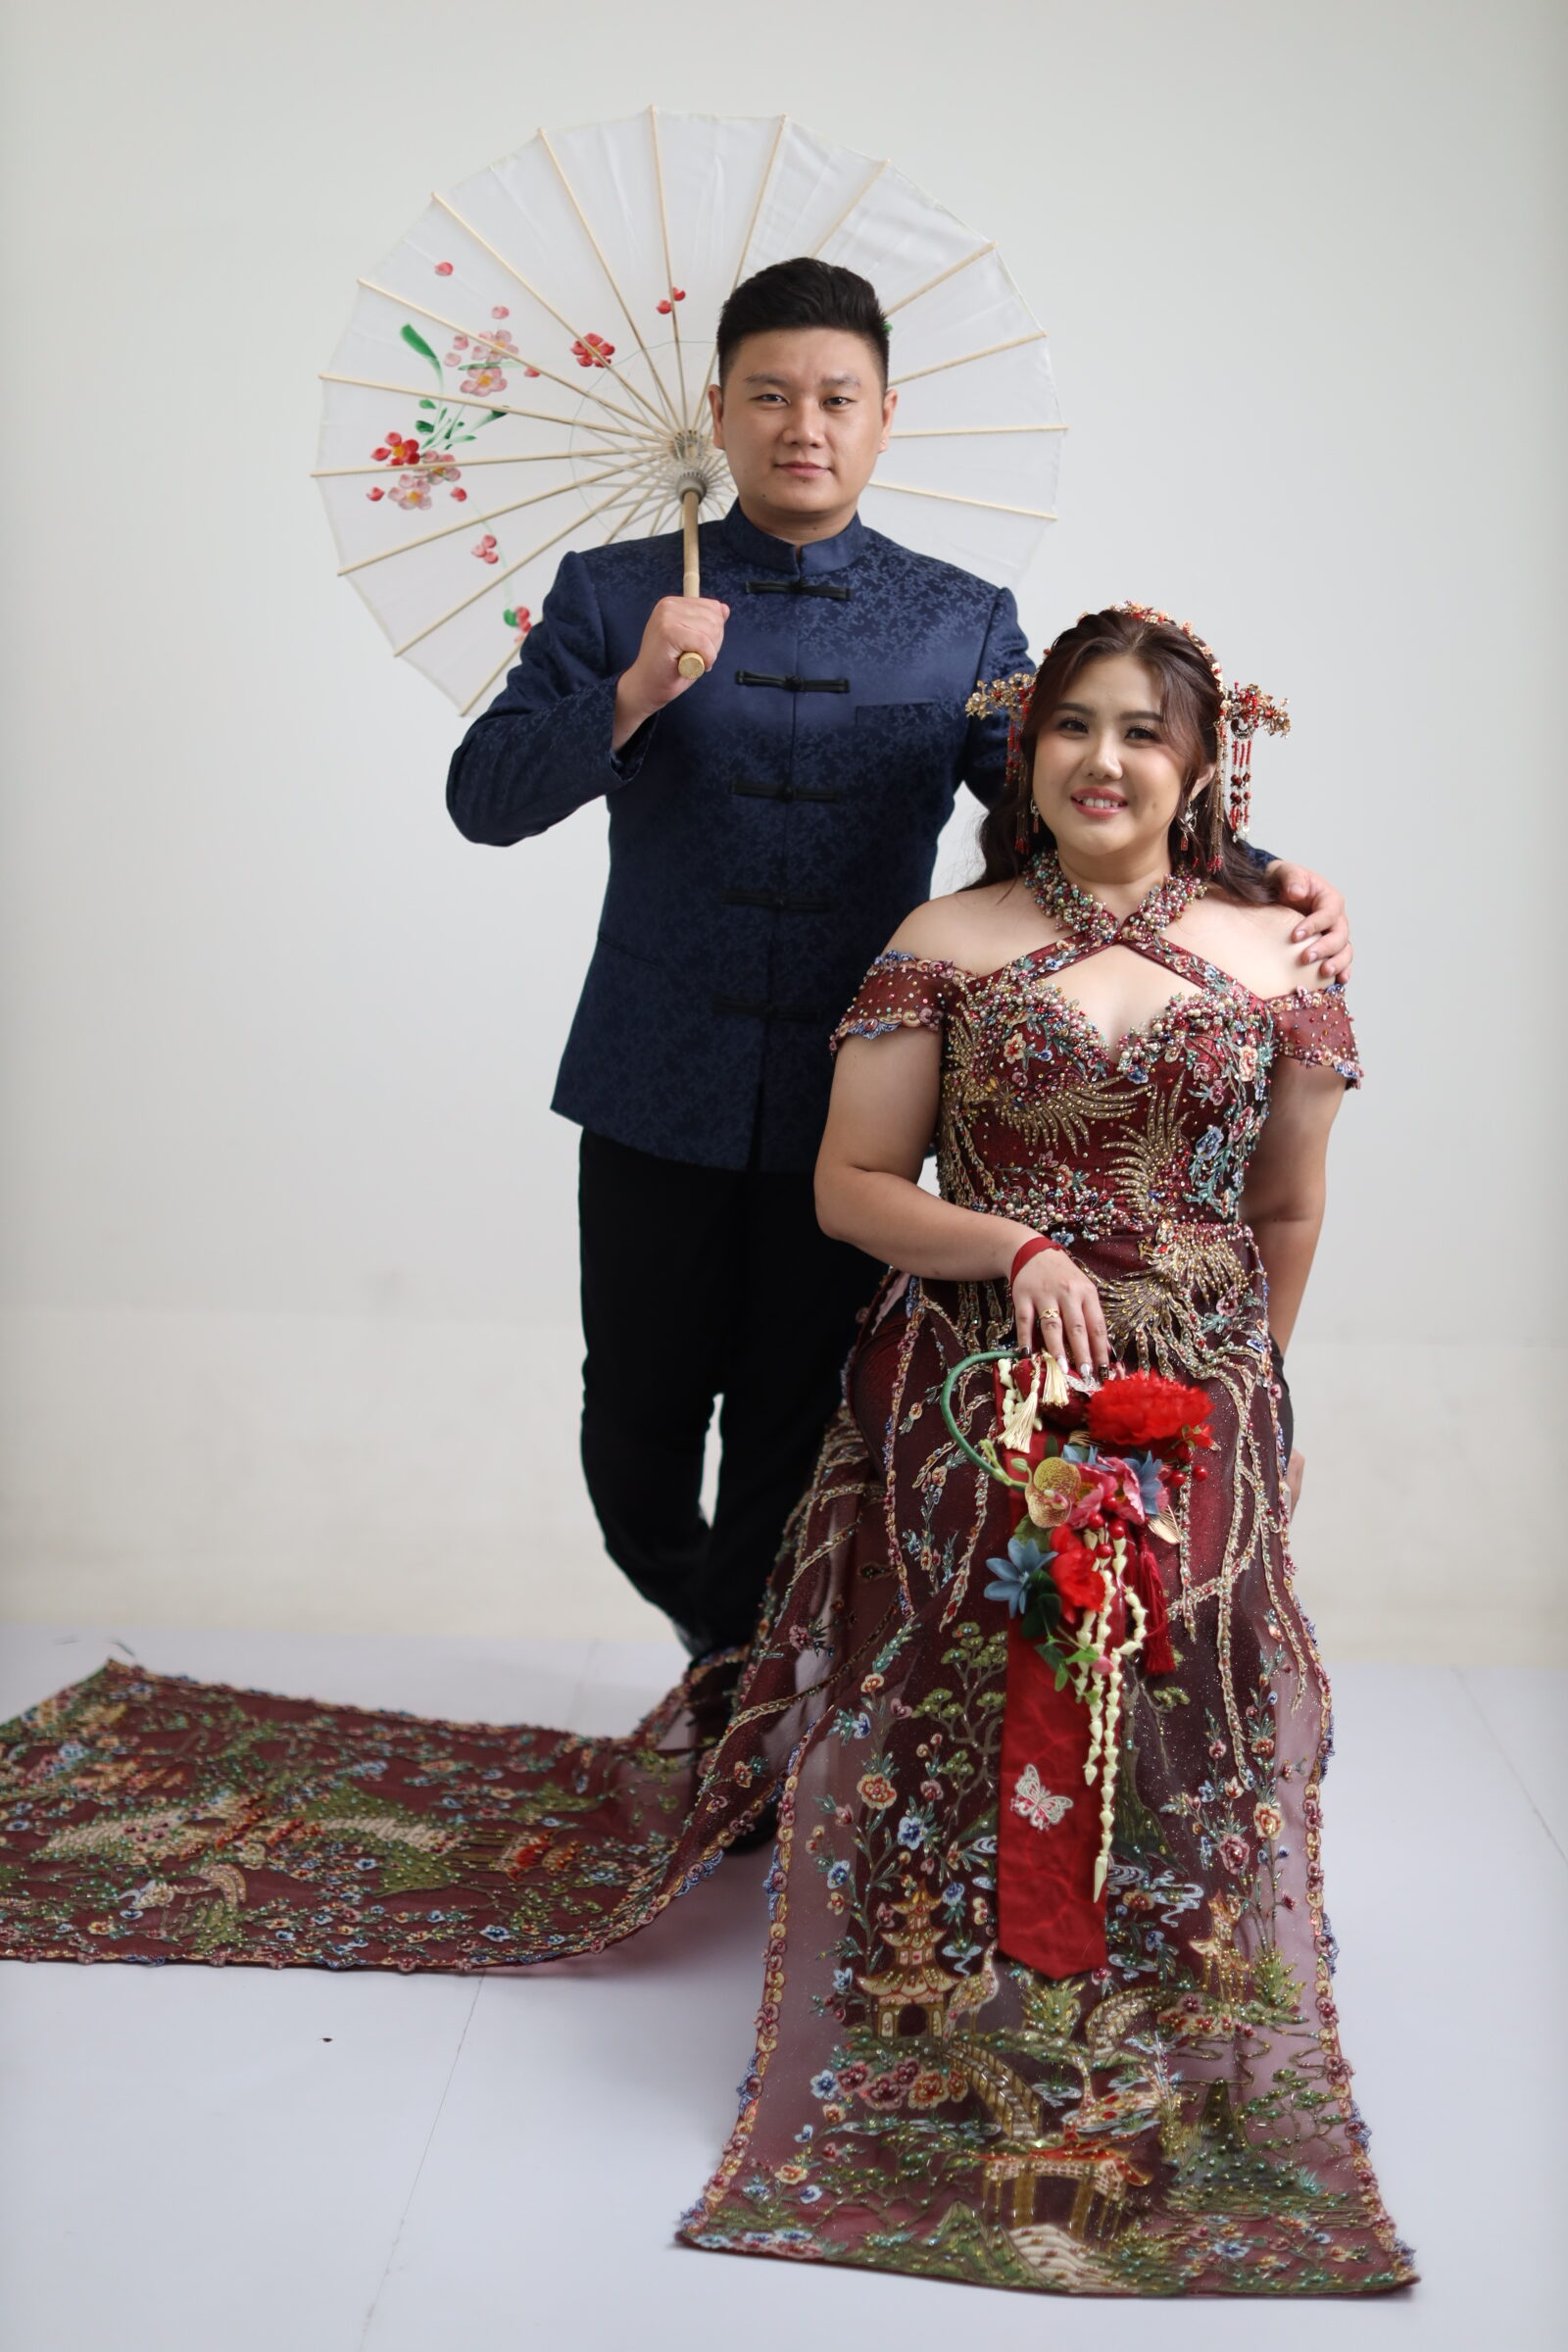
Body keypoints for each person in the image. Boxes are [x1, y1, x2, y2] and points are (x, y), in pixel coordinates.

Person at [1, 605, 1410, 2297]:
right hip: (977, 1352)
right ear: (1026, 752)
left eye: (1141, 733)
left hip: (1194, 1360)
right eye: (1070, 725)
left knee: (1183, 1634)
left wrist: (1260, 1394)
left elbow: (1287, 1209)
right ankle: (961, 1967)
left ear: (1200, 767)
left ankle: (1156, 1969)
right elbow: (853, 1189)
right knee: (1001, 1609)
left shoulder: (1282, 953)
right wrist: (1018, 1249)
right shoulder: (944, 939)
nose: (1101, 760)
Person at [445, 258, 1352, 1659]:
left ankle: (734, 1698)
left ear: (882, 418)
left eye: (837, 397)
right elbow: (483, 798)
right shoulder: (617, 595)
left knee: (792, 1427)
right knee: (631, 1440)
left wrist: (1263, 872)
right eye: (770, 395)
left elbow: (1068, 795)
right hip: (650, 1078)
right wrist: (630, 692)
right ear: (719, 412)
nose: (803, 425)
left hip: (863, 1092)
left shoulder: (957, 617)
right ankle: (725, 1640)